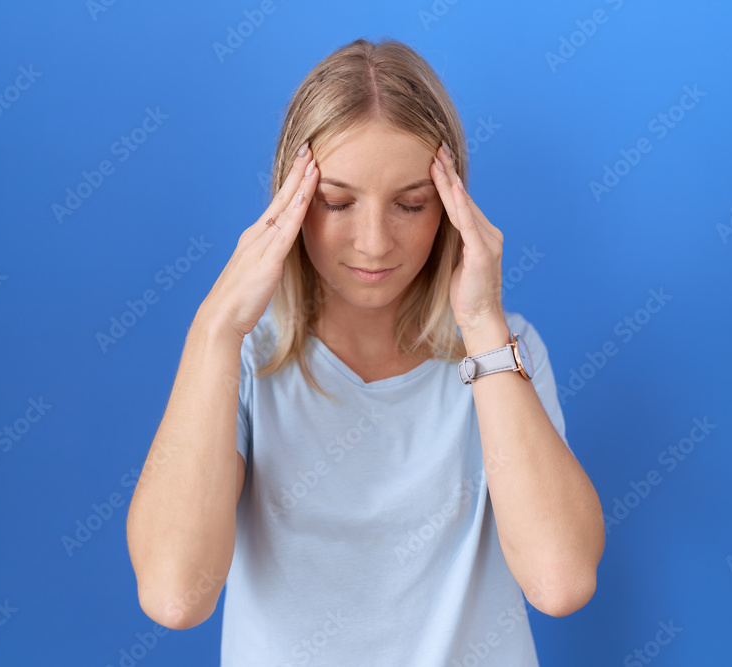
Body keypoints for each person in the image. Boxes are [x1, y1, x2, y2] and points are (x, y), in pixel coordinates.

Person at [126, 37, 604, 665]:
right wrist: (214, 329)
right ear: (291, 201)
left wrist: (483, 323)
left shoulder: (504, 352)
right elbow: (175, 596)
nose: (374, 242)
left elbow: (560, 582)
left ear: (451, 207)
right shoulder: (245, 361)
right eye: (337, 202)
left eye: (411, 204)